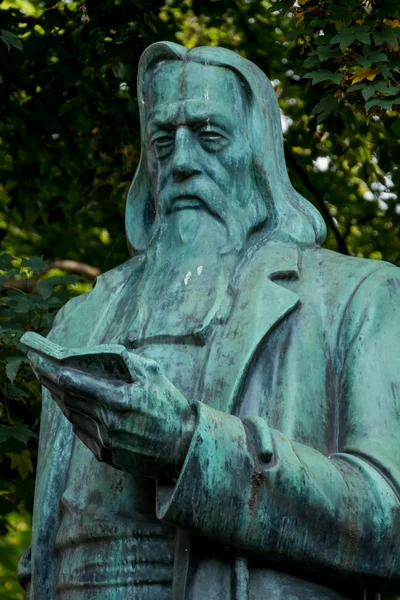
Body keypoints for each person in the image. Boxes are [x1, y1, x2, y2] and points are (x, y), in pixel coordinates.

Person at [19, 42, 400, 600]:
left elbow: (387, 524)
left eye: (209, 136)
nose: (183, 162)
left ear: (259, 152)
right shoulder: (80, 321)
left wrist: (190, 447)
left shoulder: (355, 297)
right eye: (163, 141)